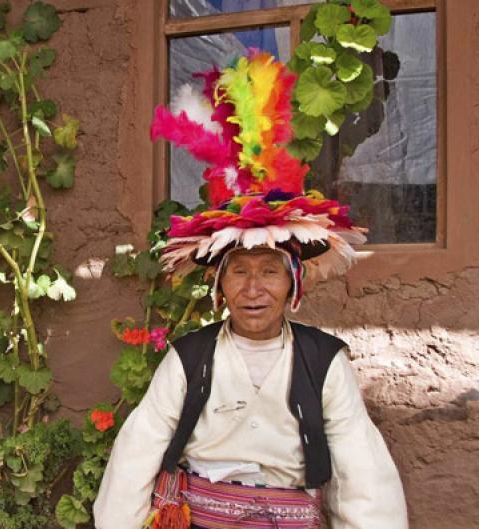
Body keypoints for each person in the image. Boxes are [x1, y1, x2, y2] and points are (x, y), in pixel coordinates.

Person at [93, 51, 408, 529]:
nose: (254, 288)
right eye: (239, 271)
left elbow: (359, 468)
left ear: (292, 286)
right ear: (220, 285)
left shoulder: (323, 360)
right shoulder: (190, 357)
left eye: (270, 272)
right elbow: (139, 450)